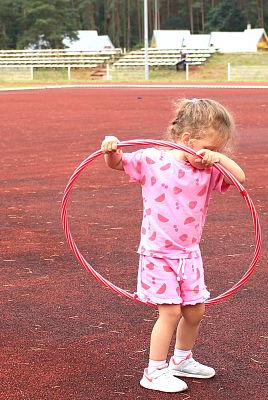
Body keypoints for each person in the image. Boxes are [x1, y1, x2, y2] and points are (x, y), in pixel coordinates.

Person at [101, 98, 245, 393]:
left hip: (189, 253)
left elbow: (241, 179)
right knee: (170, 312)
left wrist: (219, 159)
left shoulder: (208, 169)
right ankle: (154, 371)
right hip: (158, 252)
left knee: (195, 311)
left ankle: (182, 359)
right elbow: (117, 162)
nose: (211, 155)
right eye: (209, 148)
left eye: (218, 150)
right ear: (186, 140)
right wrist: (111, 148)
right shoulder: (153, 160)